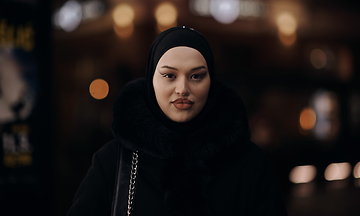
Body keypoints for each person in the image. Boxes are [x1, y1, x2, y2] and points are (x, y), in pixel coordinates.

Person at [67, 26, 288, 216]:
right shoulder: (113, 162)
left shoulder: (250, 163)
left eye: (196, 76)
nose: (182, 89)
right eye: (169, 75)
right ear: (151, 80)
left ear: (211, 81)